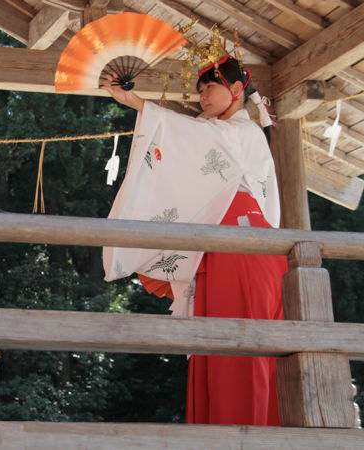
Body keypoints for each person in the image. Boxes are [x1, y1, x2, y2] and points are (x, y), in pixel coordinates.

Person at [101, 47, 285, 426]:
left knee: (244, 346)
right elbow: (191, 142)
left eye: (209, 88)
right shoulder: (220, 131)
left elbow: (189, 135)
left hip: (244, 250)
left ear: (236, 90)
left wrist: (134, 101)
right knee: (214, 348)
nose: (202, 97)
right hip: (220, 243)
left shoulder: (241, 131)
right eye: (199, 90)